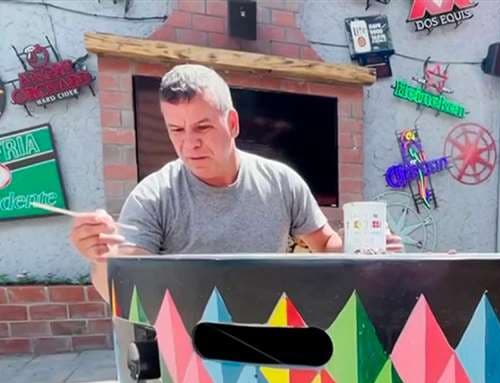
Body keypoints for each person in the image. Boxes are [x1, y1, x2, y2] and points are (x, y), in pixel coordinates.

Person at [70, 64, 401, 300]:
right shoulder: (153, 196)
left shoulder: (281, 182)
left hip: (272, 337)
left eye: (202, 127)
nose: (189, 144)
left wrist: (365, 247)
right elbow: (124, 285)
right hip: (191, 349)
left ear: (232, 123)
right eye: (176, 130)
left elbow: (325, 244)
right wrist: (101, 258)